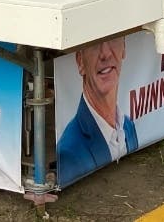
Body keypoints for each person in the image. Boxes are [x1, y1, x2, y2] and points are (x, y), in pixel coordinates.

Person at [56, 37, 138, 183]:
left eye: (113, 38)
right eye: (94, 43)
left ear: (124, 47)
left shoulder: (128, 127)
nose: (105, 53)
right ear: (80, 61)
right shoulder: (69, 153)